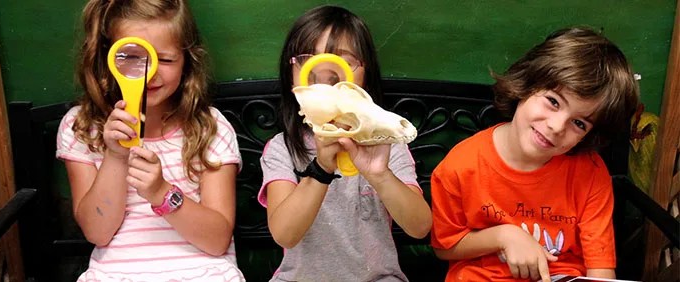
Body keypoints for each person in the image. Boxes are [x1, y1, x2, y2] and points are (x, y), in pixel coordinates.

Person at [430, 27, 639, 282]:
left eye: (579, 123)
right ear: (526, 84)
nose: (556, 126)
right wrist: (504, 236)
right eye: (553, 101)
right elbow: (444, 247)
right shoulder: (461, 166)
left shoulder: (590, 173)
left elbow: (600, 268)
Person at [56, 0, 244, 280]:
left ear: (187, 61)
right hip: (116, 273)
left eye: (165, 59)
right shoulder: (82, 127)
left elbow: (217, 241)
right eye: (131, 57)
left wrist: (162, 193)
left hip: (203, 272)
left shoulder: (210, 127)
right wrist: (115, 156)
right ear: (108, 58)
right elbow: (97, 232)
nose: (149, 72)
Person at [257, 5, 432, 282]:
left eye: (343, 62)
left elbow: (420, 227)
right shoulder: (283, 148)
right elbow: (284, 234)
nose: (325, 71)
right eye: (309, 59)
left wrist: (380, 175)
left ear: (364, 75)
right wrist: (321, 168)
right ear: (293, 76)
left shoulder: (387, 144)